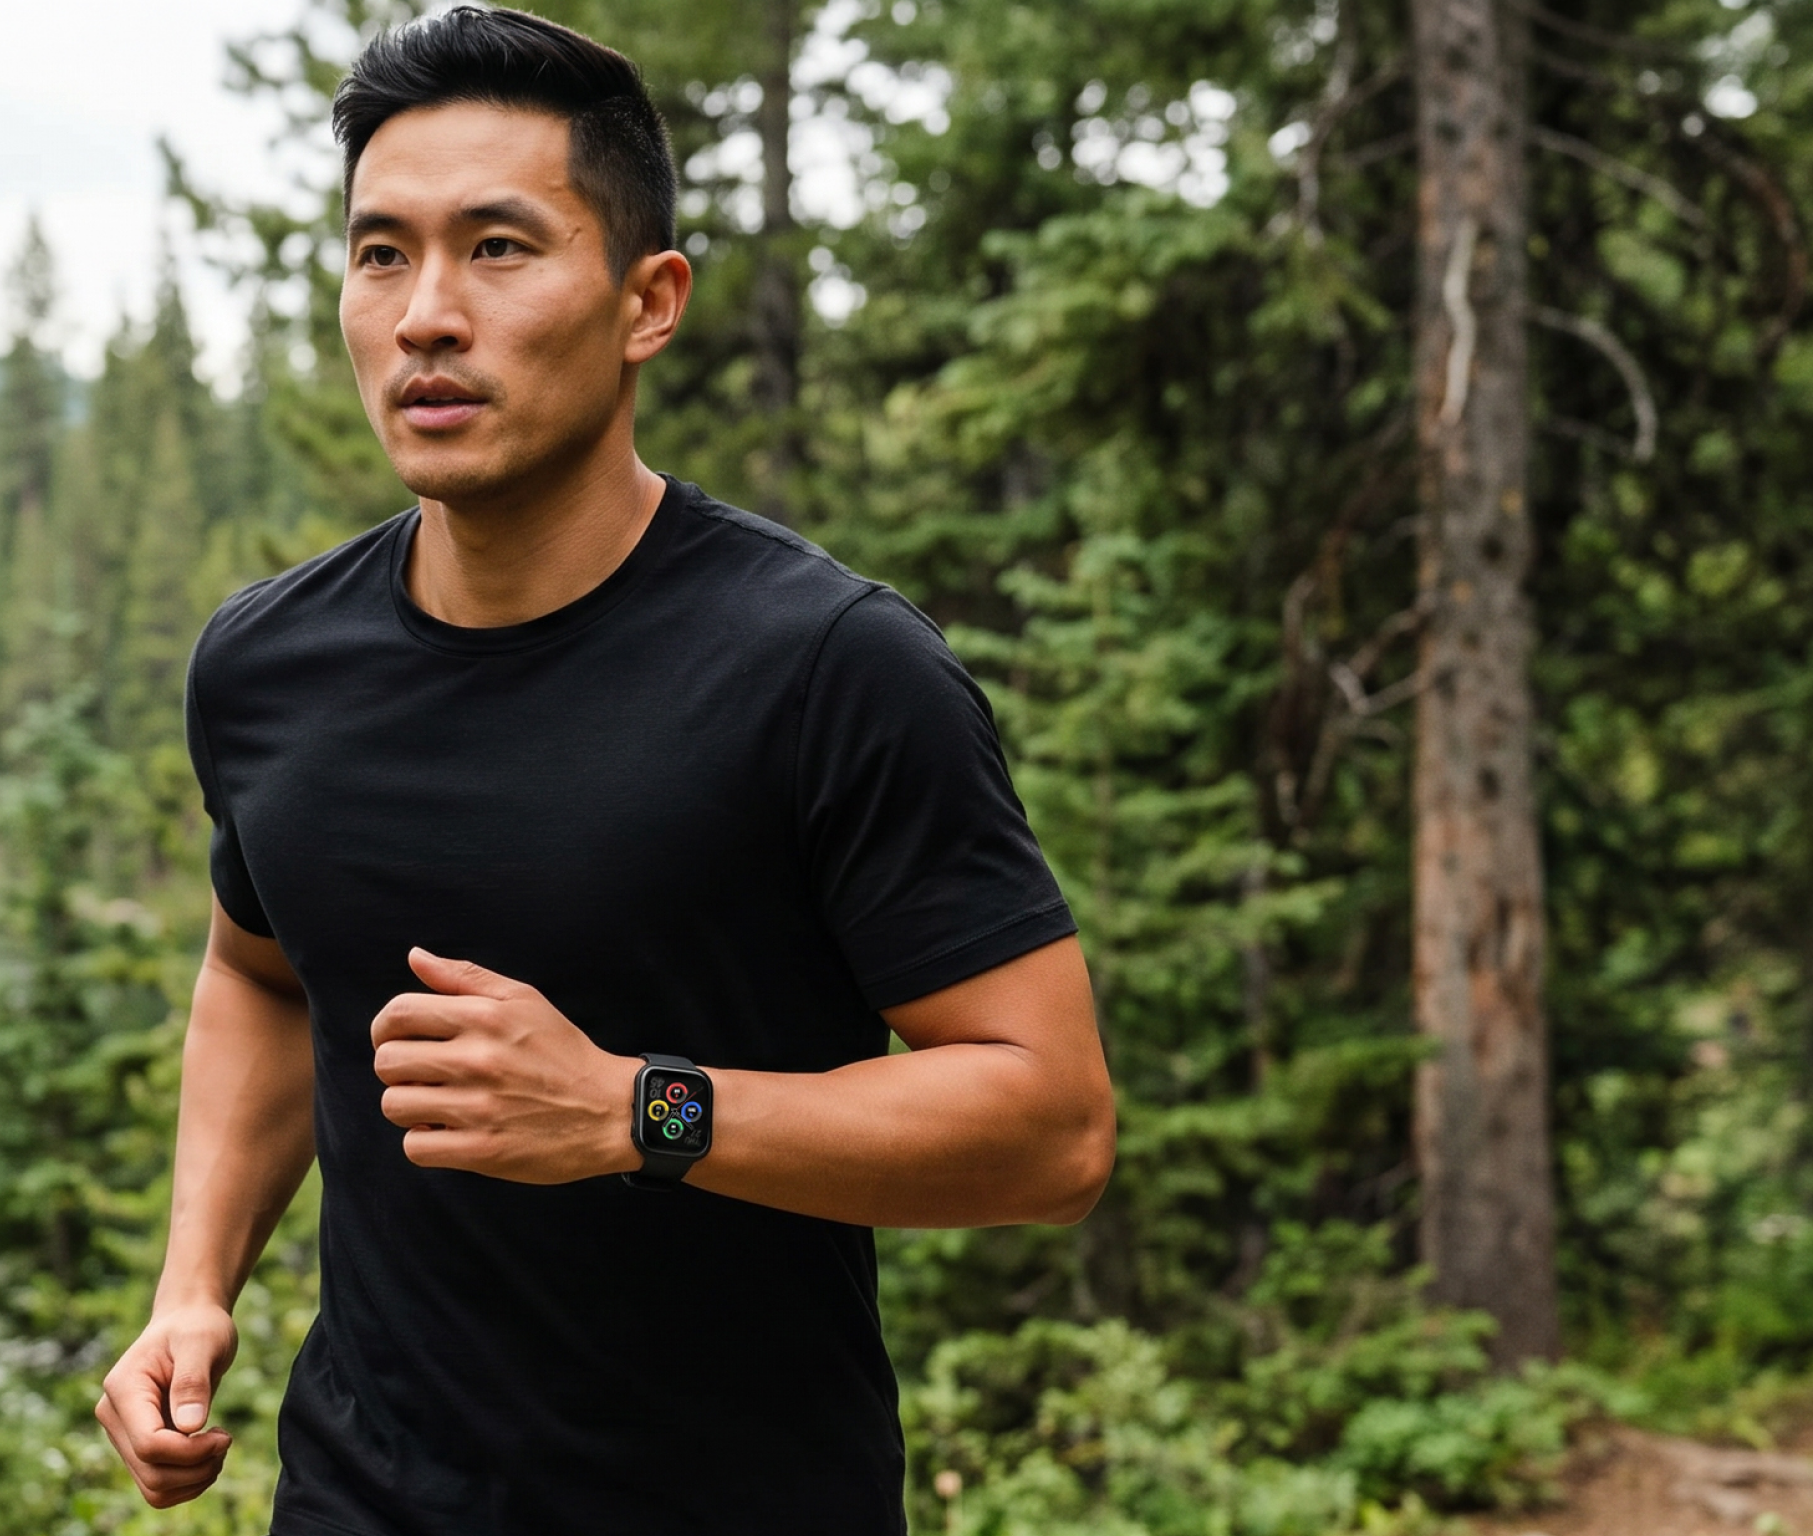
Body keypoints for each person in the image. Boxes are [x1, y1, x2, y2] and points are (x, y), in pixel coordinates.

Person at [92, 7, 1115, 1532]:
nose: (427, 314)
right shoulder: (266, 665)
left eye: (498, 248)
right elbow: (266, 974)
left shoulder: (830, 665)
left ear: (649, 302)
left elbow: (1054, 1126)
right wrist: (192, 1289)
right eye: (383, 254)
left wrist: (640, 1112)